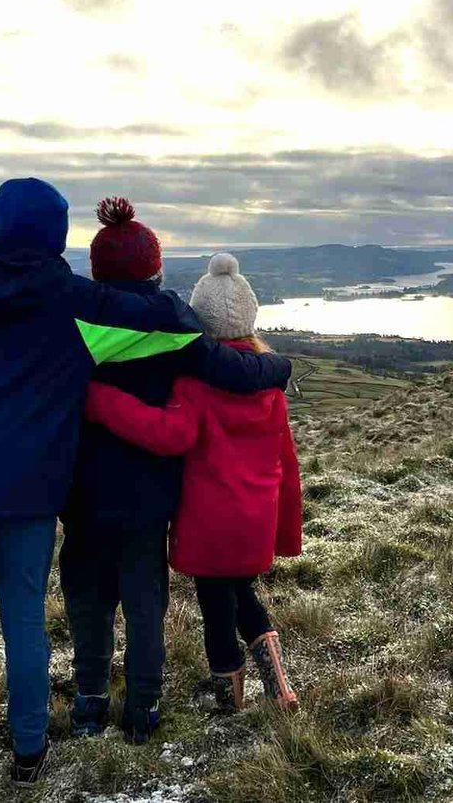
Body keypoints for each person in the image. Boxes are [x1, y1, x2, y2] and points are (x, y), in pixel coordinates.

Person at [0, 181, 291, 789]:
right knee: (24, 620)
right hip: (33, 491)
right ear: (57, 235)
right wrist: (273, 365)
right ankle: (29, 752)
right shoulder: (72, 305)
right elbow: (166, 320)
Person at [84, 252, 304, 716]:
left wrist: (101, 400)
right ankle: (278, 683)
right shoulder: (270, 388)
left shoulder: (196, 385)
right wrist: (285, 526)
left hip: (210, 519)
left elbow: (167, 435)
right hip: (255, 517)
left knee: (216, 605)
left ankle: (228, 696)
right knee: (241, 590)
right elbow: (287, 463)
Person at [59, 197, 246, 744]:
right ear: (155, 268)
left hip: (83, 494)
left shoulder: (74, 324)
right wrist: (275, 367)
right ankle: (143, 708)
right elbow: (226, 368)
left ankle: (90, 701)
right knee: (145, 607)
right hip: (148, 497)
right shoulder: (176, 323)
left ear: (95, 271)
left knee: (88, 602)